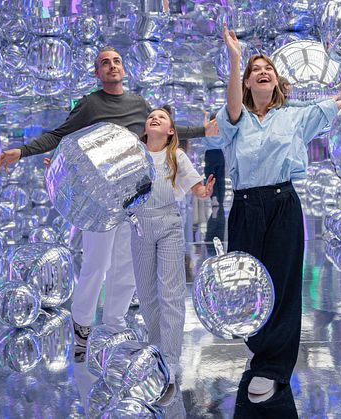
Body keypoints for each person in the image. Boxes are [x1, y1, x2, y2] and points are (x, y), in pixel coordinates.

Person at [0, 47, 218, 359]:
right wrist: (21, 152)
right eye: (105, 63)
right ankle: (82, 328)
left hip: (134, 198)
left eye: (116, 61)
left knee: (126, 267)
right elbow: (59, 135)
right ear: (98, 74)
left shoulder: (138, 105)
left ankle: (114, 326)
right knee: (95, 264)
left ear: (123, 68)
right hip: (99, 201)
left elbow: (166, 130)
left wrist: (201, 131)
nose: (112, 66)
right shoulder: (90, 104)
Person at [205, 25, 341, 403]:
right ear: (248, 83)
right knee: (250, 283)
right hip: (247, 206)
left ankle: (273, 366)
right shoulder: (236, 120)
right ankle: (259, 352)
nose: (262, 72)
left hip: (284, 203)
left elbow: (338, 104)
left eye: (267, 68)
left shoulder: (295, 116)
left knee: (283, 286)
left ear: (277, 81)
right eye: (255, 71)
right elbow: (233, 108)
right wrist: (236, 58)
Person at [132, 107, 215, 405]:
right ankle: (156, 351)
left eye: (162, 117)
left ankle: (170, 359)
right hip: (139, 224)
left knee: (171, 293)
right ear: (145, 128)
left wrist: (203, 191)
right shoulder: (133, 155)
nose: (155, 118)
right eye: (151, 116)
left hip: (168, 224)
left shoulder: (175, 156)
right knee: (146, 292)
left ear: (170, 131)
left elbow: (194, 186)